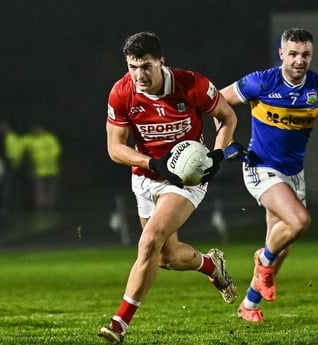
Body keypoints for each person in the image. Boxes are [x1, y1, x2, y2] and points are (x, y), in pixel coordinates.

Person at [98, 31, 239, 344]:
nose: (139, 74)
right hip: (147, 176)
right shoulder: (121, 93)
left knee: (149, 242)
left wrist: (217, 155)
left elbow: (227, 117)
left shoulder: (192, 85)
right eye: (133, 66)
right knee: (166, 256)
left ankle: (119, 323)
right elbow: (114, 148)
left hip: (186, 180)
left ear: (161, 62)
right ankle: (210, 265)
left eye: (146, 66)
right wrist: (154, 164)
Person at [219, 28, 318, 323]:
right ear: (282, 54)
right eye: (292, 54)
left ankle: (249, 306)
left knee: (283, 245)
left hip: (293, 174)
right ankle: (262, 259)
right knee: (300, 221)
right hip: (260, 166)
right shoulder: (262, 81)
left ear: (311, 55)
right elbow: (217, 101)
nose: (299, 60)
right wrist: (225, 143)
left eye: (305, 54)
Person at [25, 124, 61, 212]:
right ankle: (40, 206)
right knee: (39, 189)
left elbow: (56, 150)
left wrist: (50, 158)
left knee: (51, 189)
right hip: (39, 170)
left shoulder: (50, 138)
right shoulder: (32, 140)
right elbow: (27, 151)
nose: (38, 132)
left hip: (51, 169)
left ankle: (50, 205)